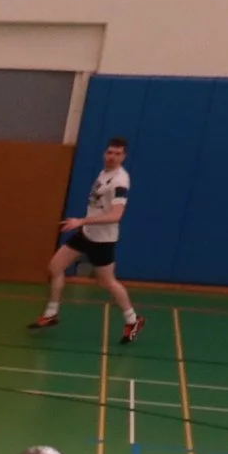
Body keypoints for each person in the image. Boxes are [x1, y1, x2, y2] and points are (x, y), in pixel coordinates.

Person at [33, 138, 142, 343]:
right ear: (104, 153)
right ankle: (51, 313)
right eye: (110, 152)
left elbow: (116, 215)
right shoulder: (103, 173)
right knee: (55, 267)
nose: (112, 156)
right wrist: (83, 225)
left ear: (124, 156)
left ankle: (133, 319)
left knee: (107, 282)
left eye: (117, 154)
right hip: (86, 232)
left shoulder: (120, 181)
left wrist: (80, 221)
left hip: (103, 240)